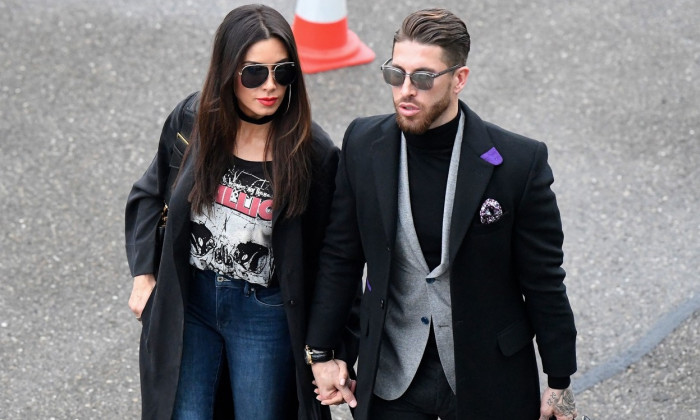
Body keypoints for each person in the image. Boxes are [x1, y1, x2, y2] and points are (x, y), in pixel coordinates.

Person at [304, 8, 578, 420]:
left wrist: (559, 379)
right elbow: (341, 255)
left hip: (487, 381)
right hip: (392, 381)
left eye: (424, 78)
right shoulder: (363, 144)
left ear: (459, 79)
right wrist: (322, 352)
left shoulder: (519, 163)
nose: (406, 90)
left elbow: (543, 279)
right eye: (396, 74)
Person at [125, 5, 357, 419]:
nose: (269, 86)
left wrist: (332, 351)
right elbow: (149, 192)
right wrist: (144, 276)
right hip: (190, 300)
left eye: (282, 72)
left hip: (263, 313)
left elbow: (335, 257)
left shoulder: (313, 154)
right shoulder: (193, 121)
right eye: (254, 73)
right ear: (227, 71)